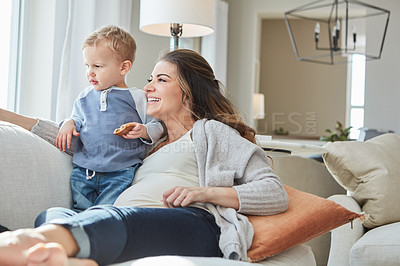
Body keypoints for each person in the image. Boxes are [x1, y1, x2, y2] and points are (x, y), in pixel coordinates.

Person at [0, 49, 289, 266]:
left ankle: (20, 244)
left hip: (191, 224)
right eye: (150, 79)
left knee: (110, 218)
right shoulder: (148, 139)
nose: (148, 86)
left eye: (161, 80)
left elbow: (274, 193)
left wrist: (204, 192)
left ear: (188, 92)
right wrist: (8, 116)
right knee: (53, 214)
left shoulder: (211, 132)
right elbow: (80, 143)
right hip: (124, 223)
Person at [57, 25, 164, 212]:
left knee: (103, 215)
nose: (90, 72)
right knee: (79, 212)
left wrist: (145, 131)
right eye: (87, 65)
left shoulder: (138, 97)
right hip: (84, 171)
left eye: (97, 66)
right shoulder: (83, 97)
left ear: (124, 67)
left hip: (120, 172)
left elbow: (159, 125)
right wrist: (68, 123)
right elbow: (77, 120)